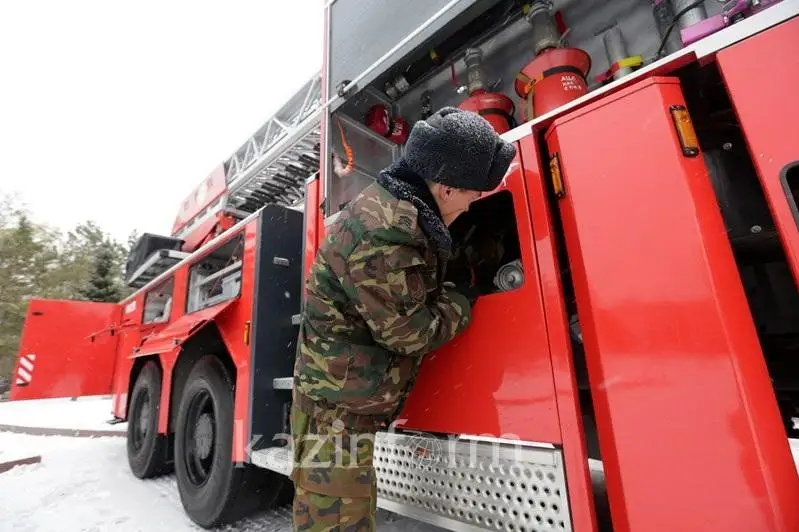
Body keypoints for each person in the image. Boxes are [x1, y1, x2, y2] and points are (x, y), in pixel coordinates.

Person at [290, 106, 517, 531]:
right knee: (337, 521)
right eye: (472, 196)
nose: (471, 208)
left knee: (348, 509)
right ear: (446, 190)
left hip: (346, 400)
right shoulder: (385, 233)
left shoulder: (403, 212)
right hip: (335, 410)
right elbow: (409, 334)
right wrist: (462, 299)